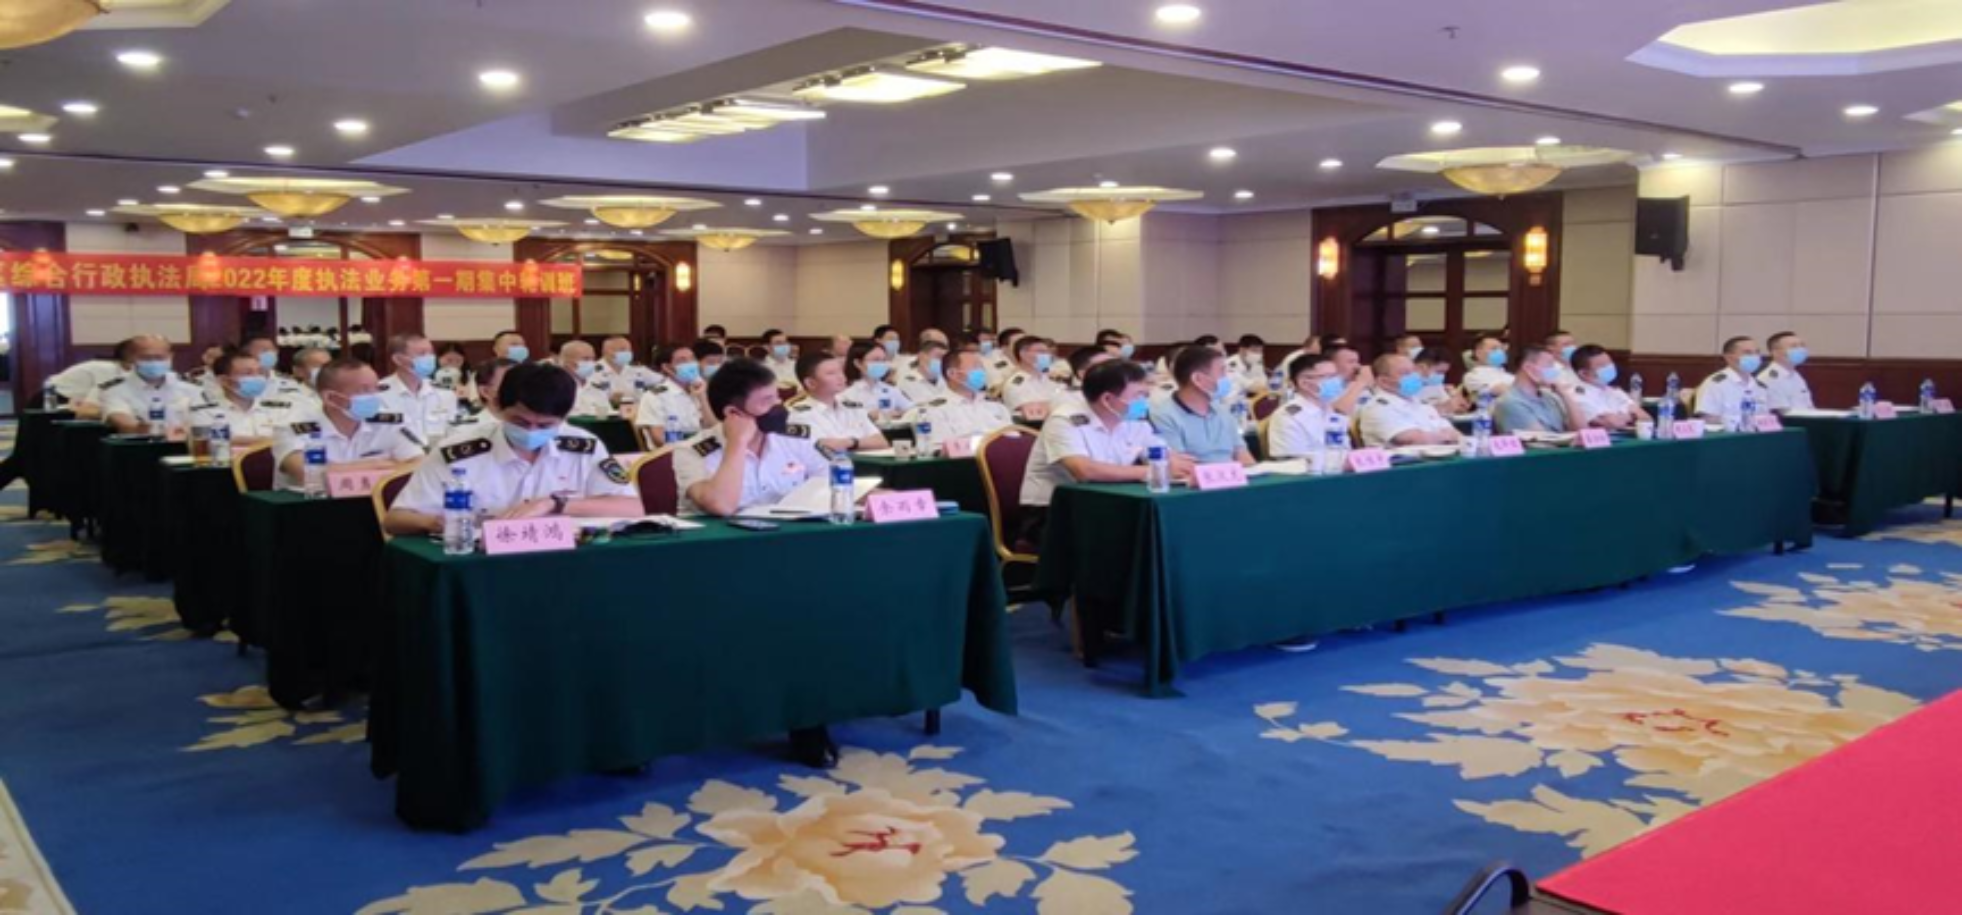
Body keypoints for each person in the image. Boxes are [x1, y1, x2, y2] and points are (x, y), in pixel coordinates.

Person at [670, 357, 847, 768]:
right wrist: (736, 445)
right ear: (734, 412)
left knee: (824, 612)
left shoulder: (796, 439)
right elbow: (721, 504)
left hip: (794, 562)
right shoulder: (692, 452)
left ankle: (808, 717)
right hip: (720, 570)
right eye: (766, 401)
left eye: (777, 397)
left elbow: (839, 485)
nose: (779, 407)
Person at [386, 363, 641, 535]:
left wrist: (555, 504)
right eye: (520, 421)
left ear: (564, 418)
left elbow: (633, 508)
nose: (531, 431)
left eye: (545, 425)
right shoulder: (458, 452)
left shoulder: (584, 446)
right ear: (497, 405)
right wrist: (438, 522)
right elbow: (395, 520)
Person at [1022, 361, 1187, 540]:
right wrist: (1151, 471)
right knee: (1141, 536)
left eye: (1146, 395)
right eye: (1138, 395)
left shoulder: (1135, 421)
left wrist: (1187, 469)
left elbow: (1166, 457)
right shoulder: (1064, 421)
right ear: (1107, 399)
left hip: (1109, 503)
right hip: (1054, 512)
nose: (1144, 402)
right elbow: (1084, 471)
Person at [273, 358, 427, 491]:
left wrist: (337, 470)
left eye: (376, 388)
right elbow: (310, 475)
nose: (374, 397)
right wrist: (377, 465)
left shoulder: (389, 422)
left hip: (375, 504)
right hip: (309, 506)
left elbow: (419, 465)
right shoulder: (293, 426)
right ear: (330, 398)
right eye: (364, 390)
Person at [1149, 346, 1256, 466]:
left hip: (1232, 474)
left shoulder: (1220, 410)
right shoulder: (1164, 416)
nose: (1227, 378)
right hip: (1197, 476)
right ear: (1198, 379)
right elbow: (1181, 467)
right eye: (1222, 372)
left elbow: (1242, 453)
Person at [193, 349, 307, 445]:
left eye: (259, 372)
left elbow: (299, 439)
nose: (257, 378)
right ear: (224, 381)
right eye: (248, 373)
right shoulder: (203, 411)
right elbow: (207, 442)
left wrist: (236, 440)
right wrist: (273, 441)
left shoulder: (281, 408)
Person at [100, 336, 205, 437]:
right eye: (146, 358)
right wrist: (160, 431)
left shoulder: (191, 386)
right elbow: (124, 423)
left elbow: (204, 420)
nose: (154, 362)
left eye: (160, 357)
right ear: (132, 358)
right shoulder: (115, 389)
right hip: (142, 445)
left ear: (171, 356)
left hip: (188, 444)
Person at [787, 350, 888, 453]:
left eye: (841, 371)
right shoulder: (799, 414)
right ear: (811, 383)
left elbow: (882, 441)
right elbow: (823, 448)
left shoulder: (852, 407)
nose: (841, 377)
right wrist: (862, 443)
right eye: (831, 373)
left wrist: (851, 443)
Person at [904, 349, 1016, 440]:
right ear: (953, 374)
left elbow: (1015, 441)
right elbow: (940, 450)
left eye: (982, 367)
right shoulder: (934, 410)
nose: (982, 372)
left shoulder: (997, 407)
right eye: (976, 366)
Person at [1359, 354, 1463, 448]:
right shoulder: (1378, 408)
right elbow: (1414, 439)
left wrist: (1447, 436)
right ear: (1384, 381)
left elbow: (1454, 433)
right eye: (1406, 373)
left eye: (1413, 371)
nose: (1414, 377)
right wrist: (1446, 436)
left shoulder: (1419, 403)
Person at [376, 333, 461, 444]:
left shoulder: (445, 393)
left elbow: (454, 433)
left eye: (431, 353)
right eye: (422, 354)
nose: (429, 358)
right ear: (398, 359)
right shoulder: (378, 395)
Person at [1266, 354, 1351, 461]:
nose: (1336, 381)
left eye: (1335, 376)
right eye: (1328, 377)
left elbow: (1344, 450)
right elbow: (1291, 462)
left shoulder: (1331, 409)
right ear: (1305, 383)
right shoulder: (1287, 417)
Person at [1493, 347, 1589, 435]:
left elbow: (1582, 431)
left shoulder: (1551, 398)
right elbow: (1541, 439)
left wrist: (1565, 395)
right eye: (1549, 365)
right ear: (1529, 368)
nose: (1554, 371)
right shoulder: (1510, 402)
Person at [633, 344, 711, 446]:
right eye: (682, 361)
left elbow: (713, 427)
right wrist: (691, 441)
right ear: (667, 367)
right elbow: (659, 438)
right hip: (675, 451)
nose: (691, 363)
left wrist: (702, 397)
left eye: (693, 358)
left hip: (706, 449)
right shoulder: (655, 396)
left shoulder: (703, 389)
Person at [48, 338, 136, 416]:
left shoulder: (122, 372)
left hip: (72, 397)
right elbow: (95, 398)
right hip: (55, 395)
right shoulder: (110, 371)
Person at [1571, 345, 1650, 431]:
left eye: (1610, 363)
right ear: (1584, 373)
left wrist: (1624, 417)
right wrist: (1631, 416)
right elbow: (1612, 423)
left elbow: (1646, 418)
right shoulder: (1577, 395)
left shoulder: (1613, 390)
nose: (1610, 367)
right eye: (1603, 366)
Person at [1696, 336, 1771, 426]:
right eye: (1747, 353)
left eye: (1757, 352)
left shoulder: (1760, 386)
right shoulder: (1715, 384)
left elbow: (1765, 418)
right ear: (1728, 357)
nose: (1754, 357)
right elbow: (1708, 418)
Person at [843, 341, 914, 421]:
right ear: (858, 363)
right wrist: (871, 416)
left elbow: (912, 409)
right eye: (876, 360)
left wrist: (902, 413)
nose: (881, 364)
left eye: (883, 360)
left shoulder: (890, 389)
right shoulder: (845, 391)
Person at [1000, 336, 1064, 420]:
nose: (1047, 355)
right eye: (1041, 352)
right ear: (1023, 354)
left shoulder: (1049, 378)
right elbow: (1034, 412)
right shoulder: (1016, 383)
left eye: (1048, 352)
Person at [555, 340, 615, 419]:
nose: (591, 363)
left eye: (593, 359)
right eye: (586, 359)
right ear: (567, 362)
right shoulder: (556, 384)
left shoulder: (597, 381)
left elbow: (606, 410)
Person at [1759, 331, 1816, 413]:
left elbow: (1809, 407)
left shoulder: (1796, 375)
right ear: (1775, 352)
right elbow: (1782, 413)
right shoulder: (1770, 378)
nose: (1800, 350)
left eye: (1802, 345)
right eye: (1794, 346)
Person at [1052, 346, 1117, 416]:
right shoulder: (1068, 400)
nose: (1115, 370)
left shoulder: (1118, 394)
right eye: (1105, 367)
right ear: (1083, 374)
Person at [1414, 348, 1471, 414]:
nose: (1442, 376)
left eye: (1444, 373)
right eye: (1439, 372)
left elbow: (1448, 405)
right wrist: (1443, 407)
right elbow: (1412, 413)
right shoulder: (1408, 387)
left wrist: (1458, 405)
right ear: (1421, 367)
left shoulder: (1436, 384)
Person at [1324, 344, 1375, 416]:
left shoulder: (1357, 382)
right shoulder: (1326, 385)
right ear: (1331, 364)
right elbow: (1339, 411)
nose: (1357, 366)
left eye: (1357, 362)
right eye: (1351, 362)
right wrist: (1361, 383)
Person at [896, 339, 951, 404]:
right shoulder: (906, 380)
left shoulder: (947, 380)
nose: (942, 362)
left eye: (945, 359)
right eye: (938, 357)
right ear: (921, 356)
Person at [1463, 335, 1515, 400]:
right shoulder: (1472, 376)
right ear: (1478, 353)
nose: (1500, 352)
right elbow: (1500, 390)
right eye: (1494, 349)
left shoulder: (1509, 375)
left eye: (1501, 349)